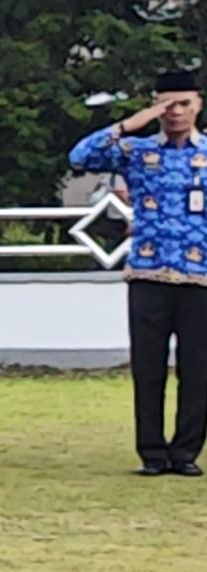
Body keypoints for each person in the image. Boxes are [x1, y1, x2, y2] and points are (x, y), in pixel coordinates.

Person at [68, 69, 207, 474]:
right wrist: (135, 121)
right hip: (148, 273)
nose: (176, 112)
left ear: (198, 105)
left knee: (198, 369)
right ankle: (150, 451)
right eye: (167, 105)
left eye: (184, 103)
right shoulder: (137, 151)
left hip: (200, 276)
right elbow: (81, 156)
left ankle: (185, 452)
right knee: (147, 368)